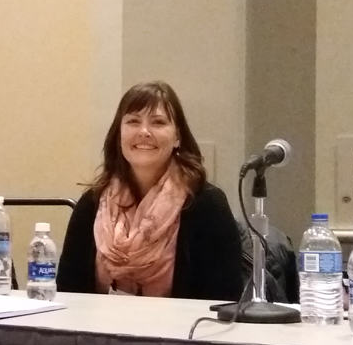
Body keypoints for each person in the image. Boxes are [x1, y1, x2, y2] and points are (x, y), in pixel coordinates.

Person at [57, 81, 243, 300]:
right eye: (133, 122)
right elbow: (68, 295)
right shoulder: (92, 203)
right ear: (119, 134)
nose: (144, 132)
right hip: (100, 332)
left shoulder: (206, 204)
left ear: (177, 137)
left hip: (181, 333)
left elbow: (224, 300)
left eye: (158, 122)